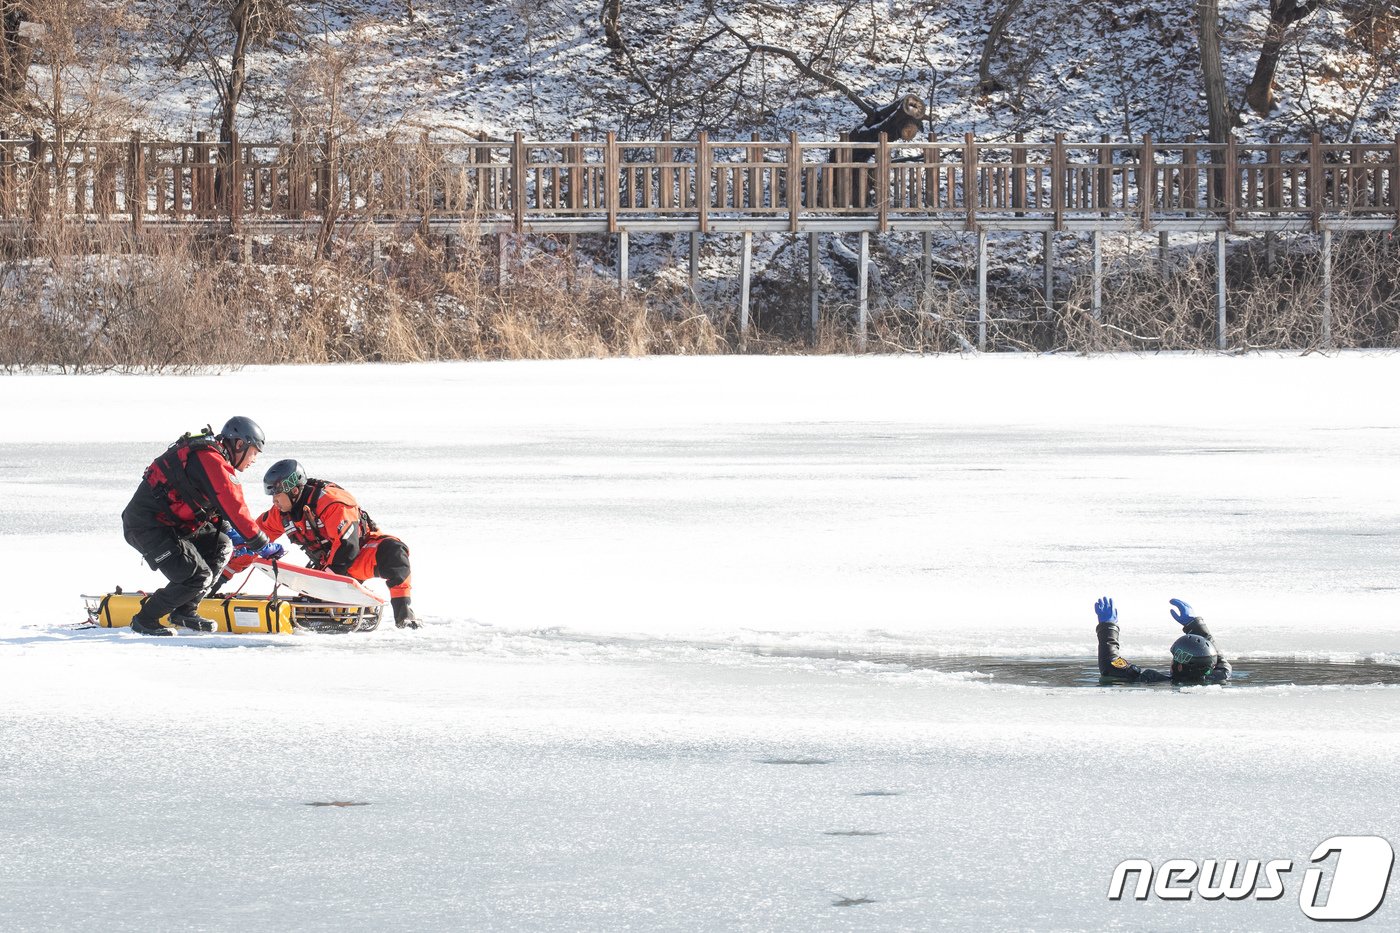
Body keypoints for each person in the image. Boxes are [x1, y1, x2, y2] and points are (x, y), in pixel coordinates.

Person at [121, 417, 283, 636]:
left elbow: (217, 512)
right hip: (146, 526)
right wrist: (261, 543)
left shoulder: (212, 458)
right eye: (254, 452)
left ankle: (185, 610)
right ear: (239, 445)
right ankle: (145, 619)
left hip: (173, 525)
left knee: (222, 545)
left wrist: (237, 538)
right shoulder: (210, 460)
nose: (254, 459)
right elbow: (234, 506)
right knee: (197, 575)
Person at [221, 459, 419, 629]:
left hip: (359, 556)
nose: (274, 502)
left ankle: (404, 616)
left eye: (277, 495)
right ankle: (321, 602)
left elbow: (348, 546)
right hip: (325, 566)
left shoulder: (333, 502)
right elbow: (252, 542)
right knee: (315, 600)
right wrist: (224, 574)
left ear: (294, 491)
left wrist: (327, 580)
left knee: (394, 552)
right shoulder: (279, 514)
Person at [1094, 597, 1232, 684]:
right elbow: (1220, 661)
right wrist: (1194, 625)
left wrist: (1108, 626)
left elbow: (1110, 666)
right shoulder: (1219, 676)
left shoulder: (1154, 680)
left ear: (1179, 667)